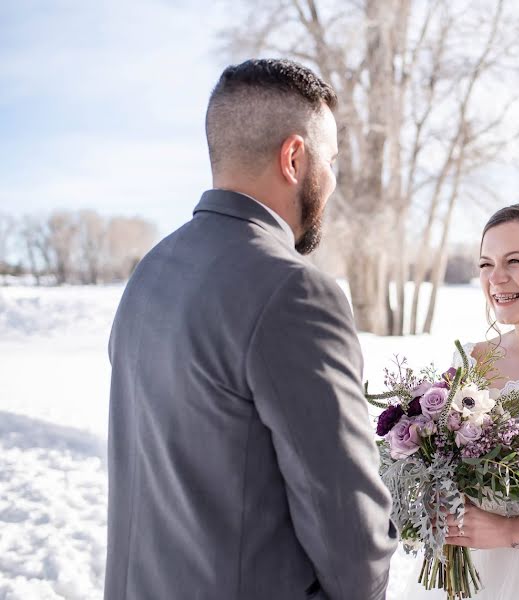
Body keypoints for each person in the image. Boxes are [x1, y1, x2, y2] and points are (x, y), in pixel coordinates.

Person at [105, 58, 396, 600]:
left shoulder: (150, 271)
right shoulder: (294, 292)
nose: (332, 182)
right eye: (330, 161)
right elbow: (347, 524)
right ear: (294, 157)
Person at [401, 204, 519, 599]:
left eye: (515, 261)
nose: (496, 278)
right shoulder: (469, 361)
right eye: (486, 264)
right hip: (475, 576)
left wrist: (510, 531)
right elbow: (443, 468)